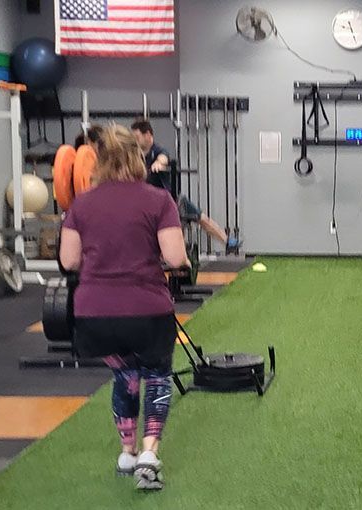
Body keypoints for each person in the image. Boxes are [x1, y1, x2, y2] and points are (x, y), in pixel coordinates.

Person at [60, 124, 188, 489]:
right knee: (156, 376)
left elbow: (69, 261)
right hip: (147, 312)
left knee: (125, 376)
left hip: (94, 316)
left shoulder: (81, 204)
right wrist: (175, 262)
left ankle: (127, 453)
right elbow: (175, 257)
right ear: (138, 157)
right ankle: (149, 454)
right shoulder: (159, 200)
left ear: (99, 159)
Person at [130, 119, 242, 254]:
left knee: (202, 218)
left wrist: (159, 164)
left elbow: (163, 158)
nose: (135, 141)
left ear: (148, 135)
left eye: (137, 137)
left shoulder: (158, 151)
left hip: (170, 200)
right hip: (148, 202)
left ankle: (227, 241)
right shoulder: (135, 155)